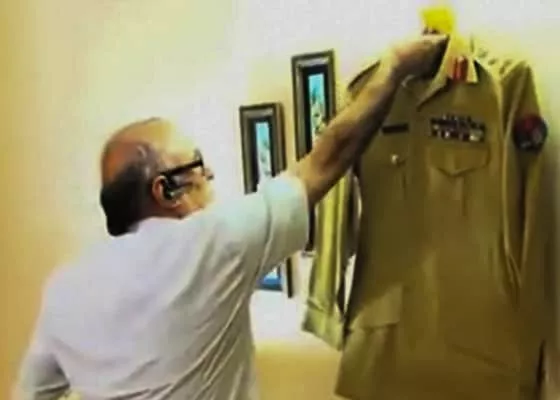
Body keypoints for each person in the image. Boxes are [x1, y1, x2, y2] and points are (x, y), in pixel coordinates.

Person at [14, 35, 447, 400]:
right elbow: (329, 157)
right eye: (198, 165)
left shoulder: (64, 288)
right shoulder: (211, 244)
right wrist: (395, 67)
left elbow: (31, 395)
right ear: (165, 191)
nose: (210, 176)